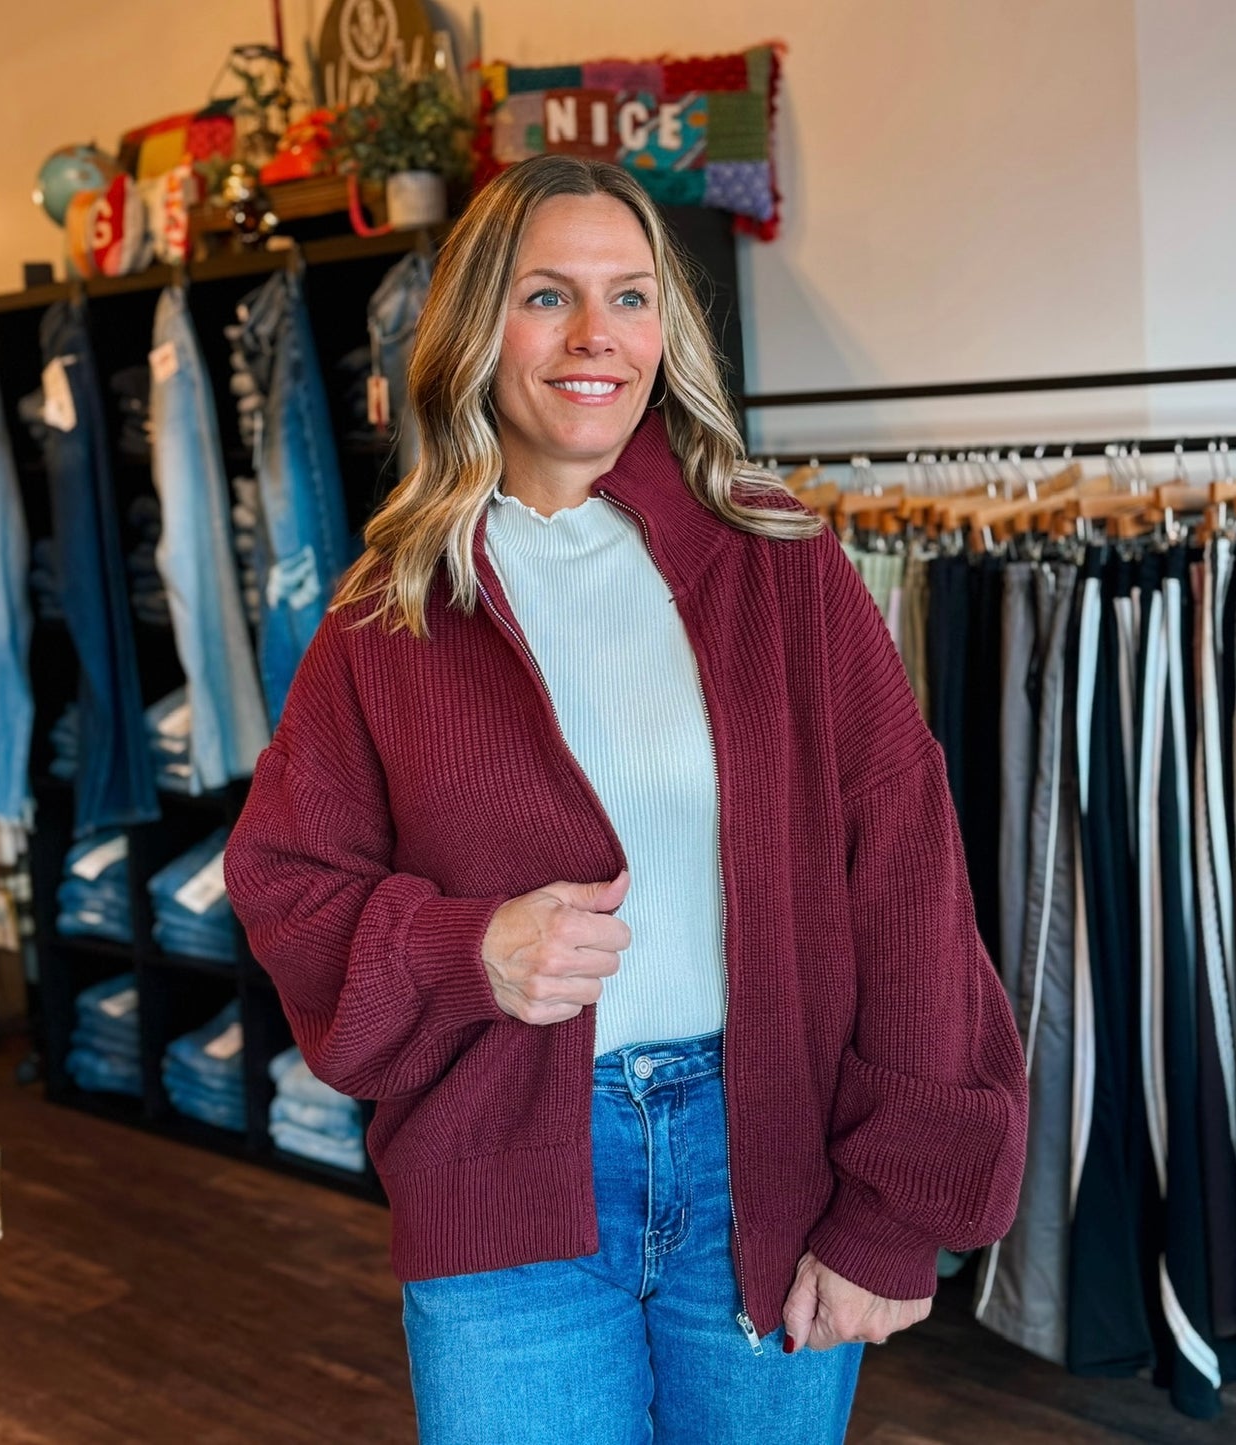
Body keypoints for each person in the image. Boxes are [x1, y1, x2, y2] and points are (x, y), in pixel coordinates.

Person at [224, 154, 1028, 1443]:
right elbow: (283, 881)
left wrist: (891, 1213)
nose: (596, 335)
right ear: (478, 329)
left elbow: (909, 875)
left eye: (632, 296)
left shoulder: (776, 559)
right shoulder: (392, 609)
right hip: (501, 1189)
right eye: (548, 295)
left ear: (667, 330)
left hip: (764, 1160)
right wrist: (467, 950)